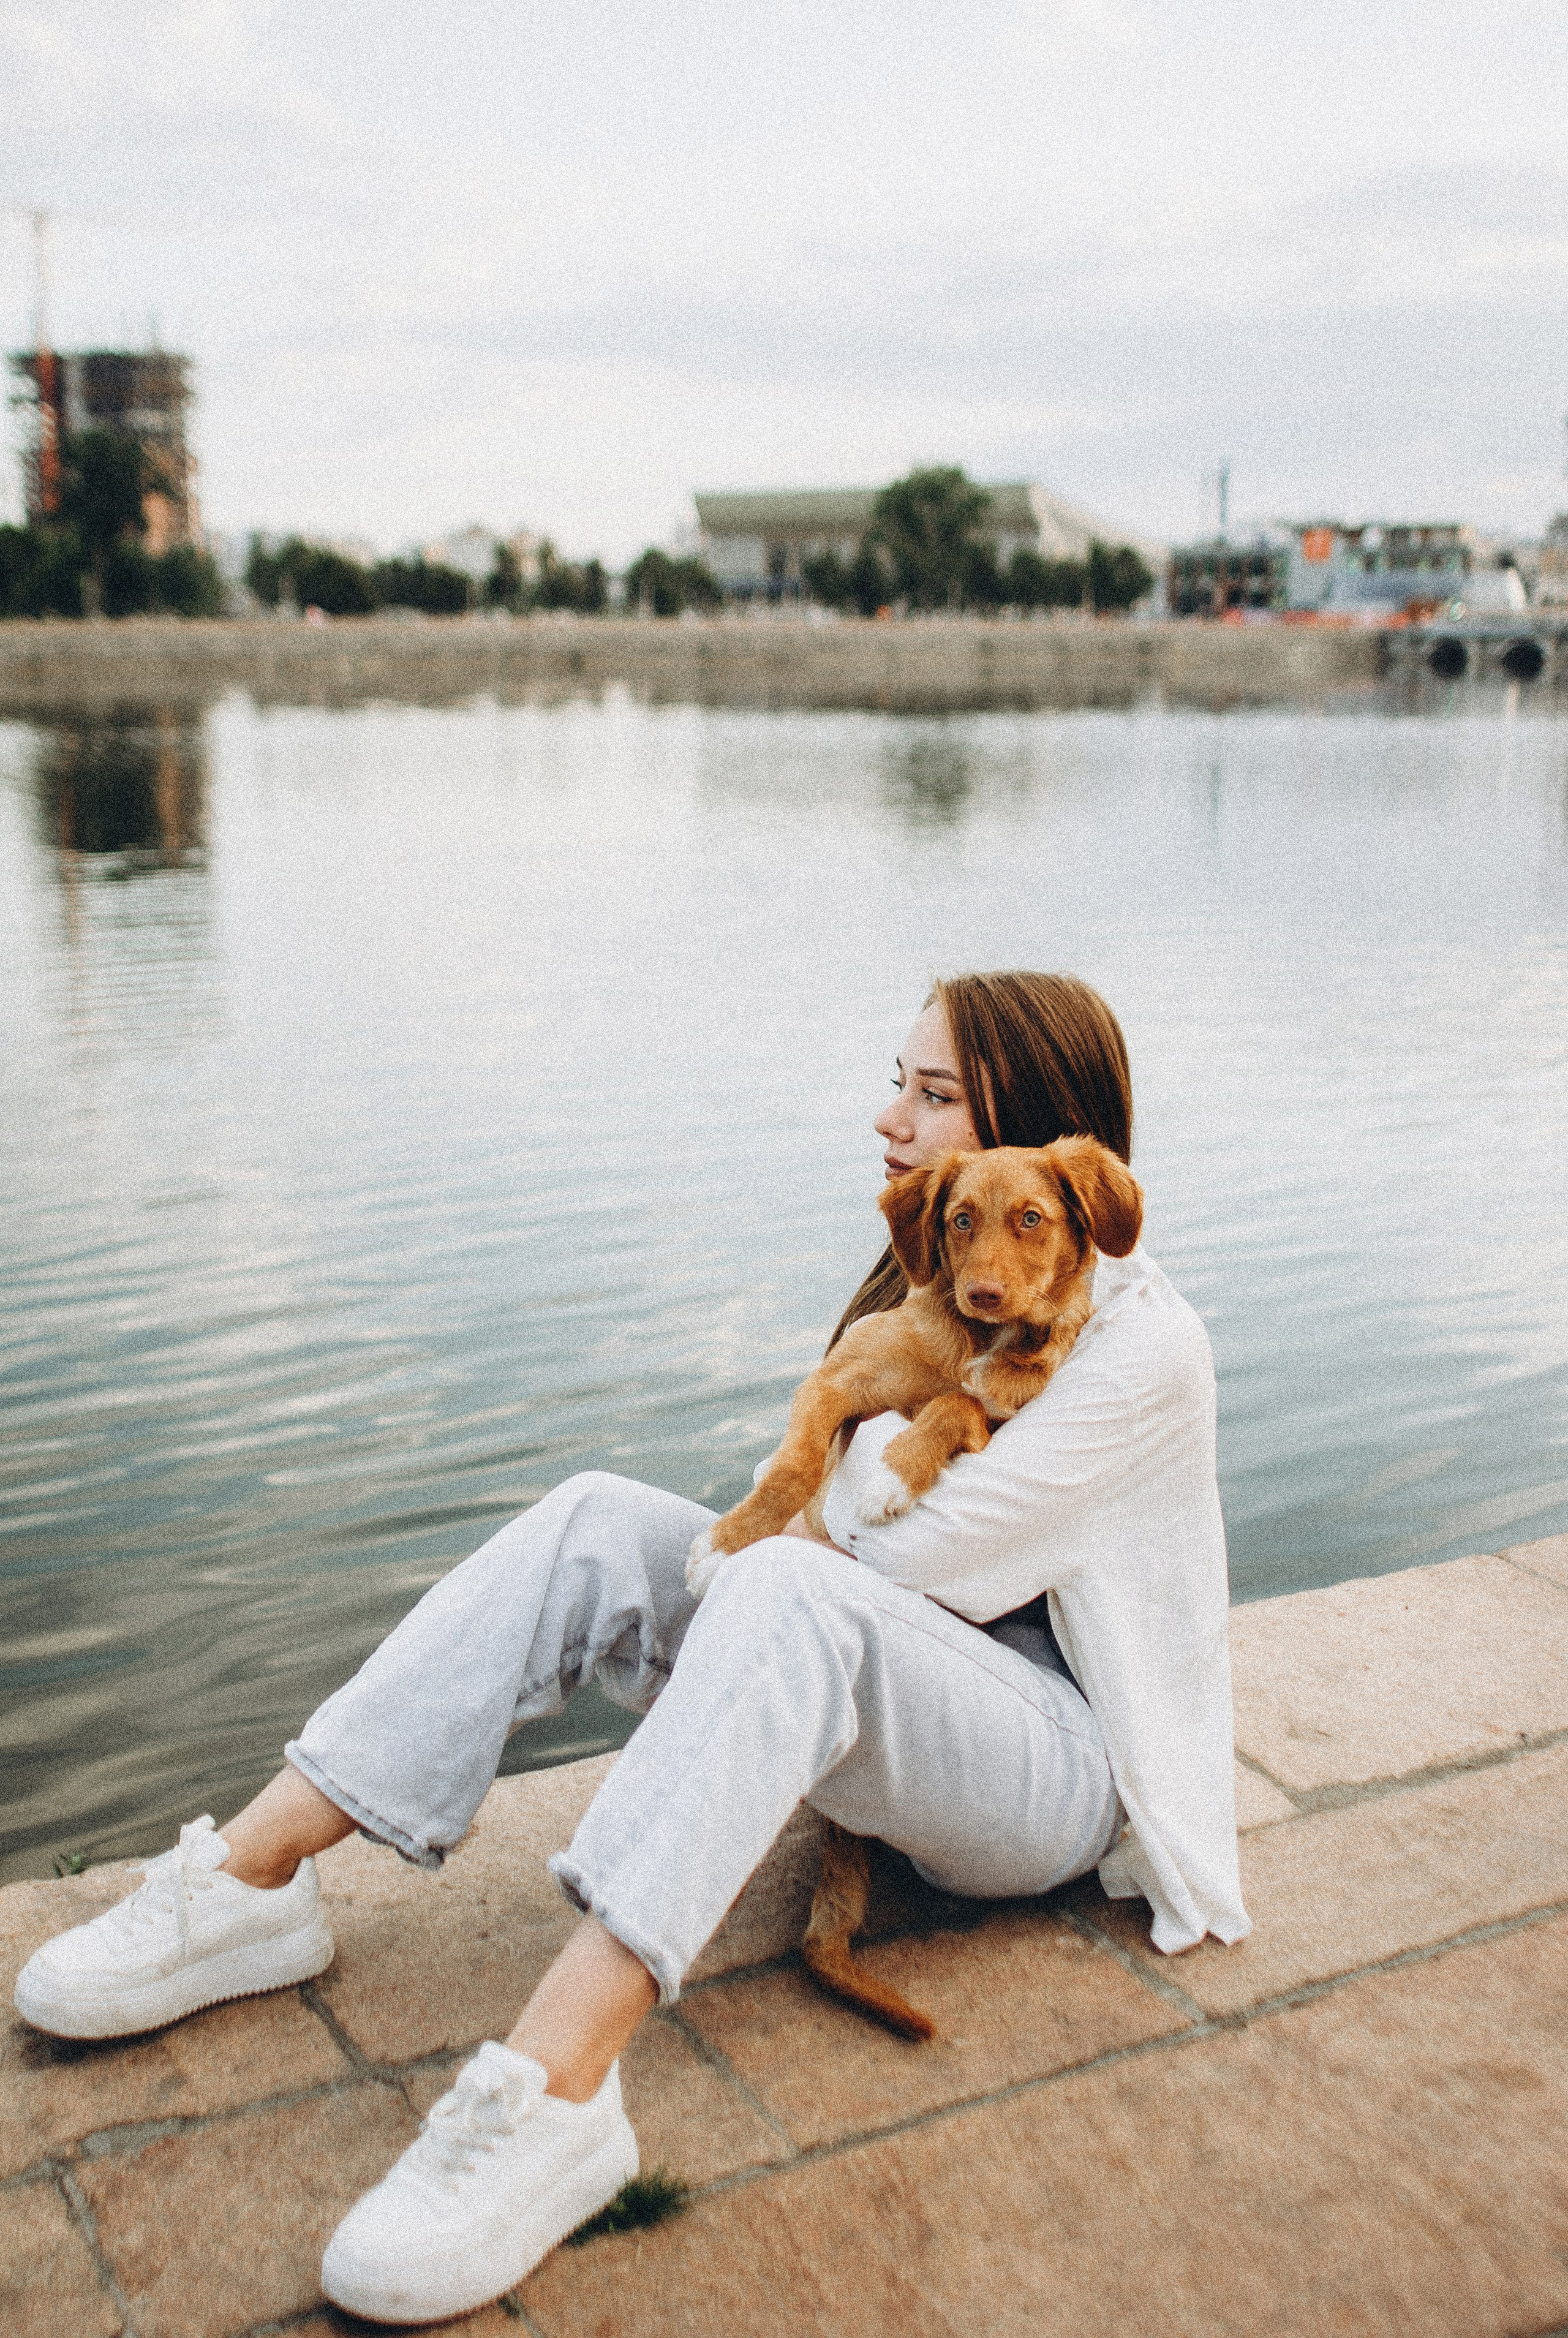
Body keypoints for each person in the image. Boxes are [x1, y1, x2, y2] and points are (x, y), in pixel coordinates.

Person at [15, 970, 1249, 2326]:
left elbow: (887, 1554)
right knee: (601, 1518)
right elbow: (815, 1521)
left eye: (935, 1093)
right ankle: (252, 1882)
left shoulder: (1145, 1347)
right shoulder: (936, 1302)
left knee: (789, 1586)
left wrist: (837, 1440)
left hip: (1051, 1776)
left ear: (1048, 1142)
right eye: (894, 1080)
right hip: (892, 1700)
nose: (890, 1119)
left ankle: (552, 2093)